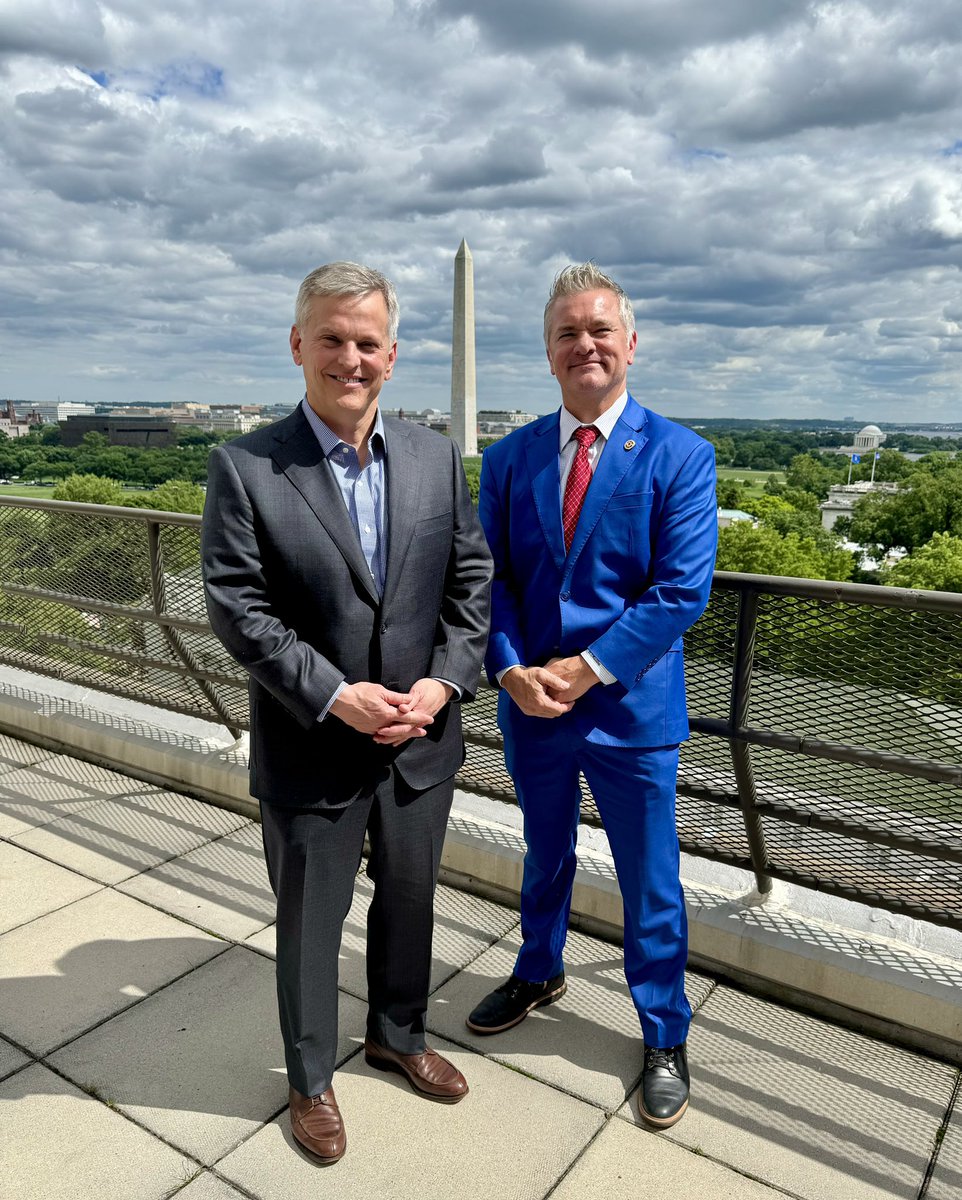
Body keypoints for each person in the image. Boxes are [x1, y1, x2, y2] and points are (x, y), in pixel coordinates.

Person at [202, 262, 492, 1164]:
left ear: (393, 356)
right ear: (298, 345)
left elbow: (470, 583)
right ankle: (310, 1077)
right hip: (311, 744)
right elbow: (237, 608)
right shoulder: (247, 466)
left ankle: (398, 1035)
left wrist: (443, 684)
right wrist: (334, 695)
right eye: (331, 338)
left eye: (367, 342)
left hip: (419, 739)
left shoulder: (435, 455)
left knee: (411, 904)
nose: (349, 357)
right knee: (309, 923)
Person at [467, 262, 717, 1129]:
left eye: (600, 329)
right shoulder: (508, 458)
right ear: (548, 352)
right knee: (544, 854)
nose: (586, 345)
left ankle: (663, 1030)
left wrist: (587, 669)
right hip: (531, 704)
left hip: (629, 713)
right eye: (568, 333)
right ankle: (539, 968)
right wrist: (507, 668)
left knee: (651, 881)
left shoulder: (681, 456)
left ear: (631, 344)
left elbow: (681, 592)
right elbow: (487, 581)